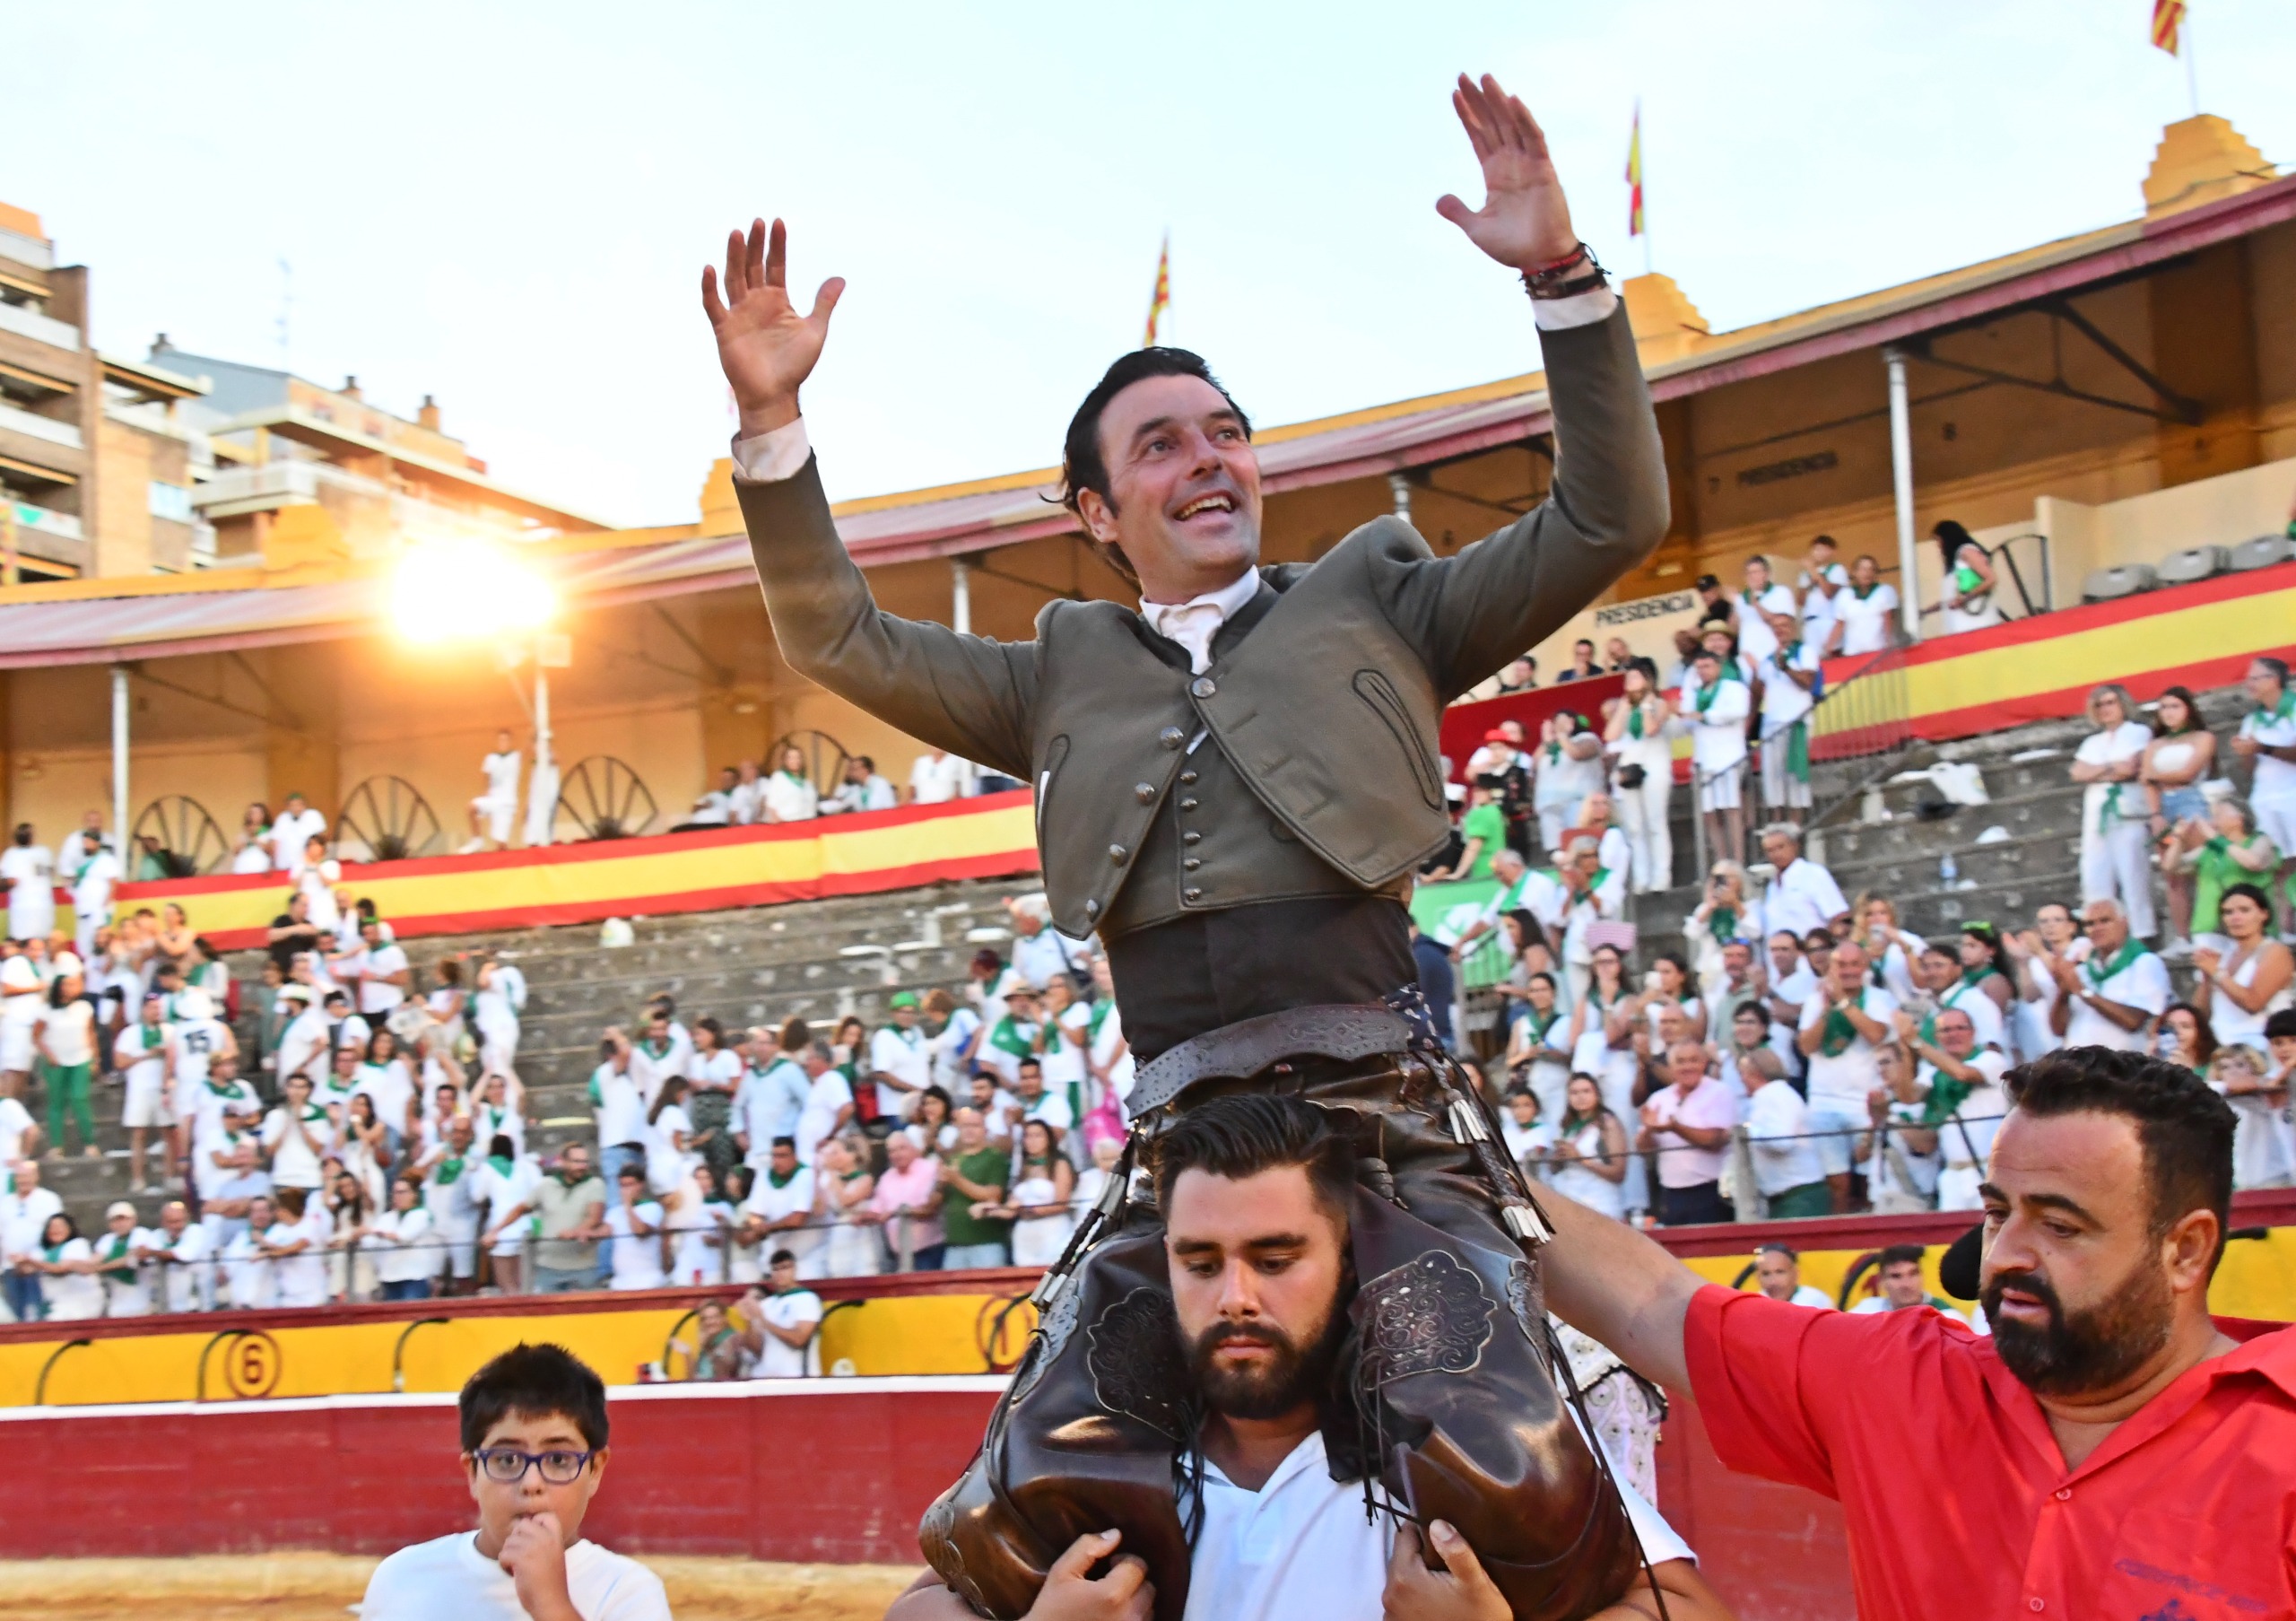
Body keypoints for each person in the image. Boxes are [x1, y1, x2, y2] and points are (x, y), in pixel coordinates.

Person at [711, 74, 1671, 1611]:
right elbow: (833, 631)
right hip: (1182, 1169)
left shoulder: (1380, 596)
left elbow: (1610, 518)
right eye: (1161, 446)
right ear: (1096, 507)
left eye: (1226, 432)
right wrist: (773, 424)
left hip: (1389, 1131)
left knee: (1512, 1467)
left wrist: (1562, 282)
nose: (1210, 458)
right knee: (1031, 1509)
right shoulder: (1053, 675)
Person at [885, 1094, 1719, 1621]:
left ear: (1350, 1259)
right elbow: (920, 1604)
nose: (1235, 1295)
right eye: (1200, 1262)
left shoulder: (1454, 1436)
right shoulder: (1106, 1443)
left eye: (1277, 1259)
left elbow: (1686, 1608)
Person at [360, 1343, 669, 1620]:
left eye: (559, 1460)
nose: (531, 1483)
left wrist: (551, 1605)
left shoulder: (627, 1593)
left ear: (595, 1471)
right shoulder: (402, 1579)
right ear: (472, 1473)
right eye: (507, 1460)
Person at [1797, 939, 1896, 1212]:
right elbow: (1806, 1046)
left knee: (1868, 1179)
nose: (1848, 970)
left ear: (1865, 967)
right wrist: (1827, 1010)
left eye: (1855, 964)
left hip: (1866, 1100)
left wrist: (1843, 1002)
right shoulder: (1814, 1001)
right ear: (1831, 967)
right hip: (1824, 1101)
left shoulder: (1878, 998)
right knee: (1836, 1183)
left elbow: (1876, 1035)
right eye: (1841, 964)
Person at [2072, 683, 2156, 939]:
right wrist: (2110, 768)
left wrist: (2097, 771)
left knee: (2133, 872)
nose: (2105, 709)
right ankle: (2102, 933)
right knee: (2095, 872)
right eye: (2100, 705)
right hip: (2097, 814)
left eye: (2110, 703)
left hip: (2128, 810)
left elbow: (2131, 768)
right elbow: (2078, 773)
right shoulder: (2092, 741)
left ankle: (2143, 932)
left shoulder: (2138, 732)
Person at [1638, 1039, 1738, 1225]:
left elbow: (1715, 1141)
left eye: (1693, 1060)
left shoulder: (1720, 1092)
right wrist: (1649, 1131)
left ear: (1704, 1063)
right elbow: (1644, 1151)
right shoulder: (1659, 1098)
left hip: (1710, 1192)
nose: (1687, 1067)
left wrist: (1675, 1128)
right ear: (1670, 1066)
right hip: (1670, 1194)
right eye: (1681, 1061)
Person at [2049, 898, 2169, 1053]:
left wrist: (2084, 992)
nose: (2097, 928)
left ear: (2124, 922)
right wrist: (2063, 993)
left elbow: (2134, 1021)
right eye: (2090, 924)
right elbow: (2059, 1030)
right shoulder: (2083, 967)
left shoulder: (2144, 962)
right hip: (2081, 1066)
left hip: (2123, 1066)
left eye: (2105, 921)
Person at [2232, 655, 2296, 937]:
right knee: (2279, 865)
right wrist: (2246, 752)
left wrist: (2263, 748)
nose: (2250, 683)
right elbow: (2250, 768)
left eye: (2256, 678)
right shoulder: (2252, 719)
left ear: (2274, 680)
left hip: (2292, 795)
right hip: (2266, 799)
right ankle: (2285, 927)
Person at [1604, 658, 1675, 893]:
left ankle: (1661, 875)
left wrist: (1645, 705)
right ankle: (1641, 876)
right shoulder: (1625, 706)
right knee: (1634, 825)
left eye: (1634, 677)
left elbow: (1650, 729)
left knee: (1655, 822)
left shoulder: (1660, 703)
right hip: (1630, 763)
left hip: (1654, 763)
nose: (1629, 681)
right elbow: (1610, 735)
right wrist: (1623, 709)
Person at [2168, 793, 2280, 943]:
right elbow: (2171, 866)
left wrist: (2215, 838)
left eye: (2218, 815)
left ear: (2239, 818)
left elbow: (2253, 862)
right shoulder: (2210, 849)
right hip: (2210, 929)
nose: (2213, 821)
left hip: (2256, 929)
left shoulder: (2261, 841)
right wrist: (2180, 840)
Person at [1683, 648, 1751, 863]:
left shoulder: (1734, 688)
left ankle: (1738, 861)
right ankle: (1722, 860)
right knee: (1710, 813)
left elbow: (1738, 712)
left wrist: (1705, 715)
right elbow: (1686, 722)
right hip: (1705, 757)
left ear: (1718, 667)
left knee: (1731, 809)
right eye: (1699, 668)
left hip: (1729, 756)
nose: (1703, 671)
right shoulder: (1694, 693)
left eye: (1707, 666)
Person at [33, 954, 100, 1161]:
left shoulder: (84, 1008)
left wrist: (95, 1058)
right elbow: (36, 1036)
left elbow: (90, 1034)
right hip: (56, 1062)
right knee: (57, 1103)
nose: (69, 989)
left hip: (80, 1058)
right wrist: (49, 1055)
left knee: (80, 1099)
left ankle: (89, 1143)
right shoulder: (46, 1011)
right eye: (65, 985)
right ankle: (56, 1146)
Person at [936, 1108, 1013, 1269]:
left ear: (985, 1130)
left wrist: (956, 1179)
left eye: (975, 1126)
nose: (969, 1130)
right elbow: (938, 1199)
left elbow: (993, 1196)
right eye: (965, 1126)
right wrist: (940, 1184)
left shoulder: (995, 1158)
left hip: (986, 1243)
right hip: (954, 1243)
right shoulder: (953, 1159)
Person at [737, 1250, 825, 1378]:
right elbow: (757, 1350)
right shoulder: (767, 1303)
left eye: (784, 1268)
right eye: (775, 1269)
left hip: (796, 1379)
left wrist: (764, 1321)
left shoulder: (807, 1298)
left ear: (794, 1269)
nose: (779, 1273)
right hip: (766, 1379)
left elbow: (799, 1340)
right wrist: (748, 1321)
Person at [1932, 519, 2002, 634]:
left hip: (1975, 623)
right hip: (1960, 627)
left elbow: (1991, 579)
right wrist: (1926, 611)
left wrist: (1964, 599)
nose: (1938, 545)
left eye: (1938, 540)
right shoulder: (1956, 561)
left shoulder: (1967, 552)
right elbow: (1950, 599)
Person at [1831, 553, 1899, 656]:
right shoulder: (1844, 594)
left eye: (1872, 569)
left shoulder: (1885, 591)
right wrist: (1828, 647)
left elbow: (1889, 619)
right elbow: (1840, 624)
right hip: (1853, 653)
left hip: (1879, 651)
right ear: (1854, 572)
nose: (1867, 573)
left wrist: (1889, 644)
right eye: (1863, 569)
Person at [1, 824, 57, 946]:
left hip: (32, 908)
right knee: (31, 944)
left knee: (32, 944)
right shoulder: (12, 855)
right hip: (32, 907)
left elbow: (11, 881)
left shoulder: (40, 853)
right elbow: (51, 873)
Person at [1752, 1242, 1833, 1310]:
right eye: (1766, 1274)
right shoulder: (1754, 1306)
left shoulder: (1817, 1301)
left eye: (1780, 1272)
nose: (1773, 1282)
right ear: (1758, 1278)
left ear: (1796, 1273)